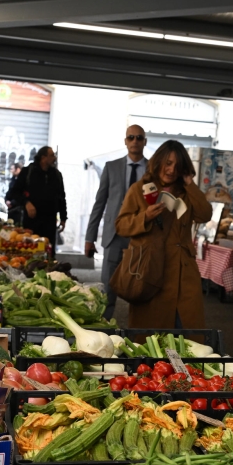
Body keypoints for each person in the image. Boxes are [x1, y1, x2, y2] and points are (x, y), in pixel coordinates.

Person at [113, 140, 211, 328]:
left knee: (185, 334)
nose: (172, 170)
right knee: (151, 336)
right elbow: (121, 225)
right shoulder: (139, 189)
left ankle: (179, 360)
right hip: (149, 270)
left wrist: (190, 184)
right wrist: (145, 217)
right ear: (158, 162)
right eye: (168, 163)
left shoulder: (186, 192)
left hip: (183, 273)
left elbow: (205, 214)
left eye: (177, 165)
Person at [86, 125, 148, 320]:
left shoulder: (153, 170)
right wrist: (90, 237)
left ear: (144, 141)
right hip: (114, 236)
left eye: (139, 138)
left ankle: (138, 334)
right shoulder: (111, 167)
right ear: (125, 141)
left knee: (139, 288)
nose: (135, 141)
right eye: (131, 137)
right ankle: (102, 329)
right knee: (107, 288)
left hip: (141, 236)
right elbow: (99, 204)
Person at [7, 146, 67, 247]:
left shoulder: (57, 175)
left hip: (50, 222)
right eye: (52, 155)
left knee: (48, 251)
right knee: (30, 250)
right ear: (43, 158)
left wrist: (63, 217)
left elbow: (61, 197)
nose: (55, 158)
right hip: (31, 222)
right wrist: (26, 203)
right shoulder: (27, 172)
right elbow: (14, 192)